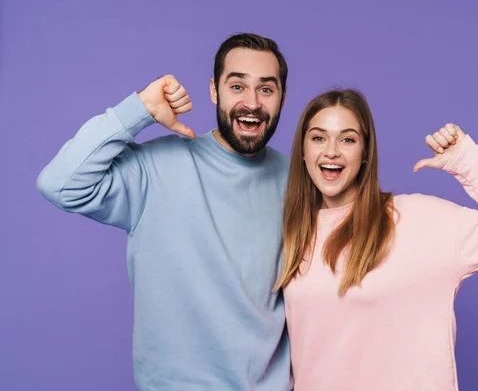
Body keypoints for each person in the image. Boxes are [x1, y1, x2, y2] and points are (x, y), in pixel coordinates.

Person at [37, 33, 293, 391]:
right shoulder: (157, 167)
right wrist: (139, 108)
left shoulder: (298, 182)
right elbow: (60, 183)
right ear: (214, 91)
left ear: (281, 97)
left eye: (266, 89)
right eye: (237, 86)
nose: (251, 102)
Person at [274, 89, 478, 391]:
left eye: (347, 139)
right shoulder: (291, 236)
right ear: (304, 151)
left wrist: (465, 160)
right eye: (318, 138)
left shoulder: (414, 219)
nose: (331, 151)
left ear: (365, 153)